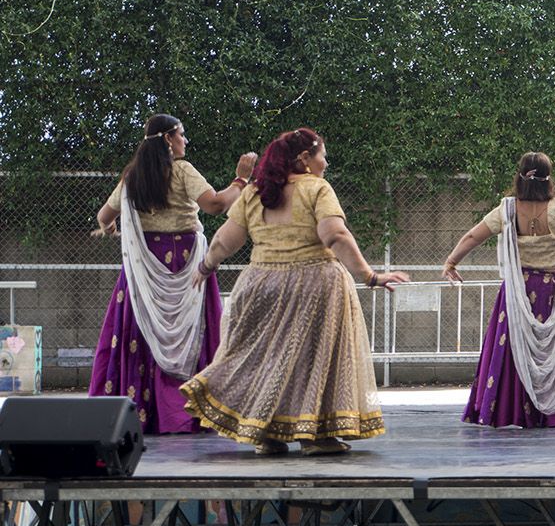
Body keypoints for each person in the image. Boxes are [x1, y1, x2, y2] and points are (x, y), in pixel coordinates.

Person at [180, 127, 408, 455]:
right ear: (305, 159)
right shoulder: (317, 188)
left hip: (260, 285)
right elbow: (335, 236)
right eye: (322, 156)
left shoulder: (255, 191)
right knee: (312, 359)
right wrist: (370, 276)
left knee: (262, 359)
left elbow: (224, 240)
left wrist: (205, 267)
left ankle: (267, 434)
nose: (325, 164)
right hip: (315, 284)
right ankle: (315, 437)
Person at [89, 114, 256, 434]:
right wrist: (241, 180)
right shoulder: (182, 171)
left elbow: (104, 215)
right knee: (191, 332)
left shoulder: (132, 177)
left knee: (141, 334)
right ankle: (186, 412)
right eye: (182, 135)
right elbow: (216, 205)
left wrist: (108, 227)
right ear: (168, 139)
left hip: (143, 269)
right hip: (183, 262)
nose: (185, 141)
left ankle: (138, 414)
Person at [442, 152, 555, 428]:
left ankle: (514, 411)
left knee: (512, 351)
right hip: (553, 293)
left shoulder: (508, 209)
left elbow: (473, 235)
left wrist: (452, 261)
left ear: (520, 176)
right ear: (549, 178)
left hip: (518, 292)